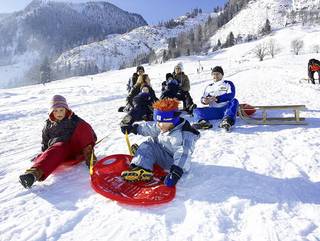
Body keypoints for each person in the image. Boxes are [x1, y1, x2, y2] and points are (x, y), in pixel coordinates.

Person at [19, 95, 97, 189]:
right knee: (59, 146)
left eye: (61, 110)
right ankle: (33, 175)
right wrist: (44, 155)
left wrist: (89, 142)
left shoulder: (74, 120)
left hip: (76, 148)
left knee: (82, 126)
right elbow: (45, 143)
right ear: (51, 112)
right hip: (59, 151)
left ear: (66, 110)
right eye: (55, 111)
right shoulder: (48, 125)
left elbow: (90, 134)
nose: (59, 113)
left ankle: (90, 158)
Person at [120, 98, 200, 187]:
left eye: (160, 122)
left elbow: (184, 154)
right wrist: (134, 128)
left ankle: (142, 168)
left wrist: (176, 173)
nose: (158, 124)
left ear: (171, 120)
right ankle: (145, 154)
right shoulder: (167, 124)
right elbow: (151, 128)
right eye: (157, 121)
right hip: (164, 149)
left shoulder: (183, 134)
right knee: (151, 141)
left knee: (149, 145)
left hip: (173, 162)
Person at [192, 66, 239, 132]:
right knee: (196, 110)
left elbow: (231, 94)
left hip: (226, 110)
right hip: (213, 110)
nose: (215, 76)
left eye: (217, 74)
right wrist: (204, 100)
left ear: (222, 75)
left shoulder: (228, 83)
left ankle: (227, 120)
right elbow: (203, 98)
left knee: (235, 101)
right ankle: (203, 122)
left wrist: (217, 98)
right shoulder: (209, 86)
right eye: (213, 74)